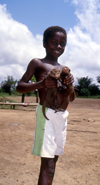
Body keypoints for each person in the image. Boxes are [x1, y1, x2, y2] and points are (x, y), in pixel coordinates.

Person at [16, 26, 75, 185]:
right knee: (47, 165)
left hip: (61, 117)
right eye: (54, 42)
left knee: (53, 162)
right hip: (46, 116)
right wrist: (41, 84)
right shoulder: (38, 63)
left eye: (62, 43)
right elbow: (20, 86)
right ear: (44, 43)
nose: (58, 46)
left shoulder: (63, 69)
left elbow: (69, 97)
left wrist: (69, 85)